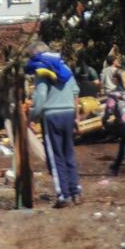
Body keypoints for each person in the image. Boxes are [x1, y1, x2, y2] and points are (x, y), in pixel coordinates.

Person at [29, 40, 82, 207]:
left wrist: (33, 117)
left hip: (52, 115)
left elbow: (40, 97)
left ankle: (63, 195)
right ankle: (76, 191)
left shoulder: (42, 70)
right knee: (69, 153)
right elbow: (75, 91)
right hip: (68, 112)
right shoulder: (64, 66)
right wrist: (77, 116)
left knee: (55, 156)